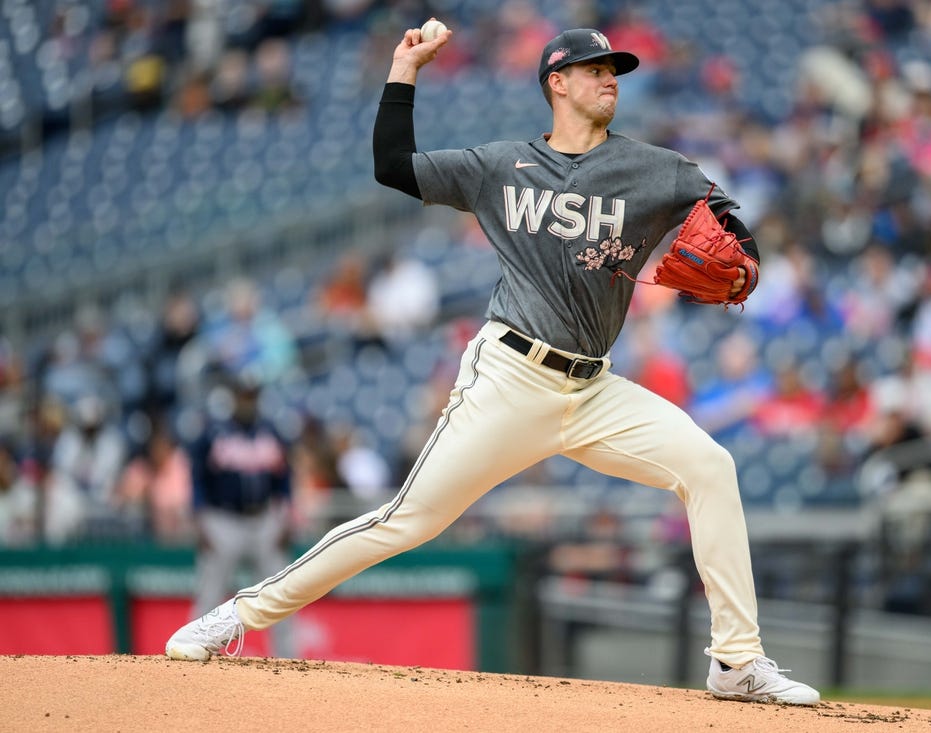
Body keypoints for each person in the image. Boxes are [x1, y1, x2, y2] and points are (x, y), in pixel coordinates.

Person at [165, 23, 819, 706]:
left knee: (710, 466)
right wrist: (404, 69)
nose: (610, 79)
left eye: (615, 69)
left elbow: (723, 213)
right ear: (556, 83)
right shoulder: (500, 165)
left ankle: (736, 662)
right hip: (509, 378)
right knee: (405, 520)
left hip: (595, 389)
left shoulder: (654, 168)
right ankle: (235, 616)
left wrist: (741, 252)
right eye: (594, 68)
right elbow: (393, 164)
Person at [183, 374, 296, 658]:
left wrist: (285, 519)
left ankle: (288, 660)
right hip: (223, 519)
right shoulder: (213, 432)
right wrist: (201, 522)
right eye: (243, 395)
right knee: (210, 592)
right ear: (233, 397)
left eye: (252, 395)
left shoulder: (271, 431)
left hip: (263, 519)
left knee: (281, 592)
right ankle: (193, 651)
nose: (248, 401)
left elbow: (285, 480)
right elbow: (197, 479)